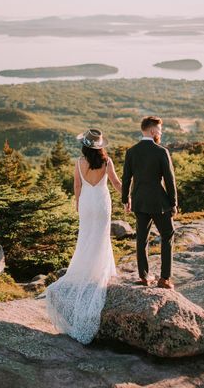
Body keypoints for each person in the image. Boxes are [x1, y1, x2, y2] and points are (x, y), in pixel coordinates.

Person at [45, 128, 121, 344]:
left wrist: (78, 203)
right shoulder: (107, 162)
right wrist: (127, 196)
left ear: (85, 146)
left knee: (86, 237)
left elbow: (77, 186)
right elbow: (115, 183)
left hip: (87, 202)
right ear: (100, 146)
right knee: (101, 237)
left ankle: (85, 271)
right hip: (102, 202)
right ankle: (100, 272)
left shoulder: (79, 162)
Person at [122, 116, 178, 290]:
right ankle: (164, 279)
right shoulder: (161, 152)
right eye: (160, 130)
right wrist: (174, 202)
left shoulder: (131, 152)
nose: (160, 133)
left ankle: (144, 277)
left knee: (141, 239)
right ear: (153, 131)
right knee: (168, 235)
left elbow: (126, 178)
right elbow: (170, 180)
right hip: (159, 203)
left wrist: (126, 199)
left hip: (139, 201)